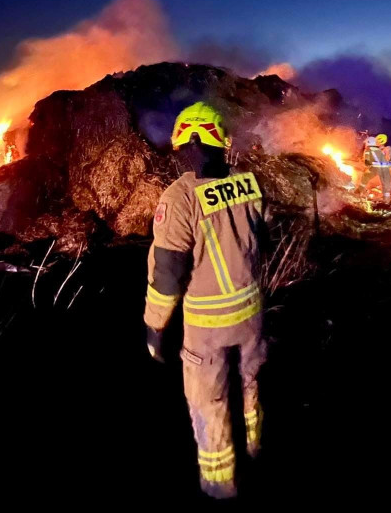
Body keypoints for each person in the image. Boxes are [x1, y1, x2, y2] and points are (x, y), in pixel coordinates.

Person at [144, 102, 267, 499]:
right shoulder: (248, 183)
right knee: (251, 386)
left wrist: (156, 326)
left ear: (187, 143)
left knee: (209, 402)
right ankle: (257, 452)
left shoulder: (180, 197)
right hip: (251, 315)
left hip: (207, 328)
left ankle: (220, 487)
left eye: (184, 146)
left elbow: (167, 274)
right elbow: (261, 241)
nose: (184, 152)